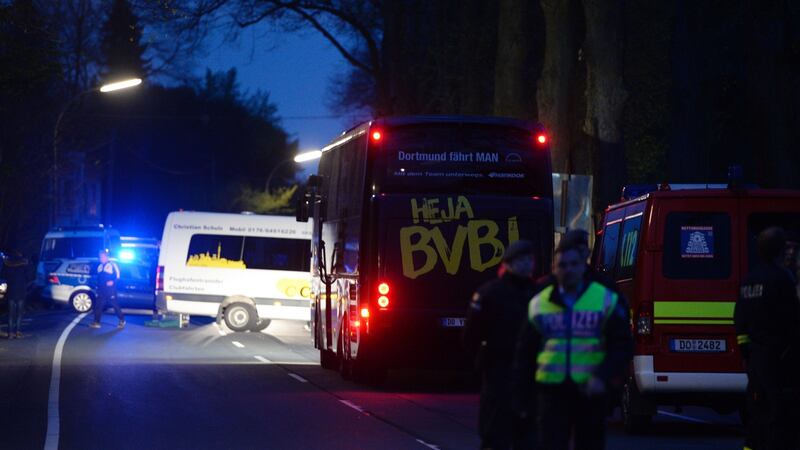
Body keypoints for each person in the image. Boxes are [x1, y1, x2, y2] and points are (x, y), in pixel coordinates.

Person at [513, 241, 632, 450]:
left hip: (590, 391)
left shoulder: (604, 299)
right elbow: (525, 353)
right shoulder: (539, 303)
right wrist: (522, 396)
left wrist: (603, 376)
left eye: (574, 264)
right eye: (562, 265)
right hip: (551, 393)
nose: (568, 270)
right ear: (554, 268)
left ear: (583, 266)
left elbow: (622, 345)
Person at [463, 240, 537, 450]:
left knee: (528, 435)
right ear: (508, 263)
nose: (526, 264)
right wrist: (484, 361)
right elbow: (471, 335)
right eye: (520, 260)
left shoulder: (538, 294)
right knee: (495, 433)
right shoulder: (490, 293)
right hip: (498, 370)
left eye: (529, 260)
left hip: (530, 374)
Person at [735, 227, 800, 450]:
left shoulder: (748, 281)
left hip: (756, 360)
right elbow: (792, 320)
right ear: (780, 250)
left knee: (756, 415)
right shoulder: (782, 279)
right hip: (780, 359)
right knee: (779, 416)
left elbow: (740, 321)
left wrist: (746, 354)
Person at [90, 250, 125, 329]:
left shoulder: (112, 265)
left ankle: (122, 320)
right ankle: (97, 322)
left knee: (115, 305)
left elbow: (118, 277)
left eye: (103, 257)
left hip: (110, 290)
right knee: (98, 306)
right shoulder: (99, 267)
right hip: (101, 290)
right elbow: (99, 279)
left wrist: (113, 281)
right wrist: (97, 287)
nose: (101, 258)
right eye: (100, 257)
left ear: (107, 257)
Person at [3, 249, 30, 339]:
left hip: (11, 291)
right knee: (19, 313)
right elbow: (28, 277)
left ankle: (10, 333)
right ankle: (18, 332)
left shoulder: (8, 265)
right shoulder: (24, 265)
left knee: (11, 314)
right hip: (21, 291)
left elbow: (4, 276)